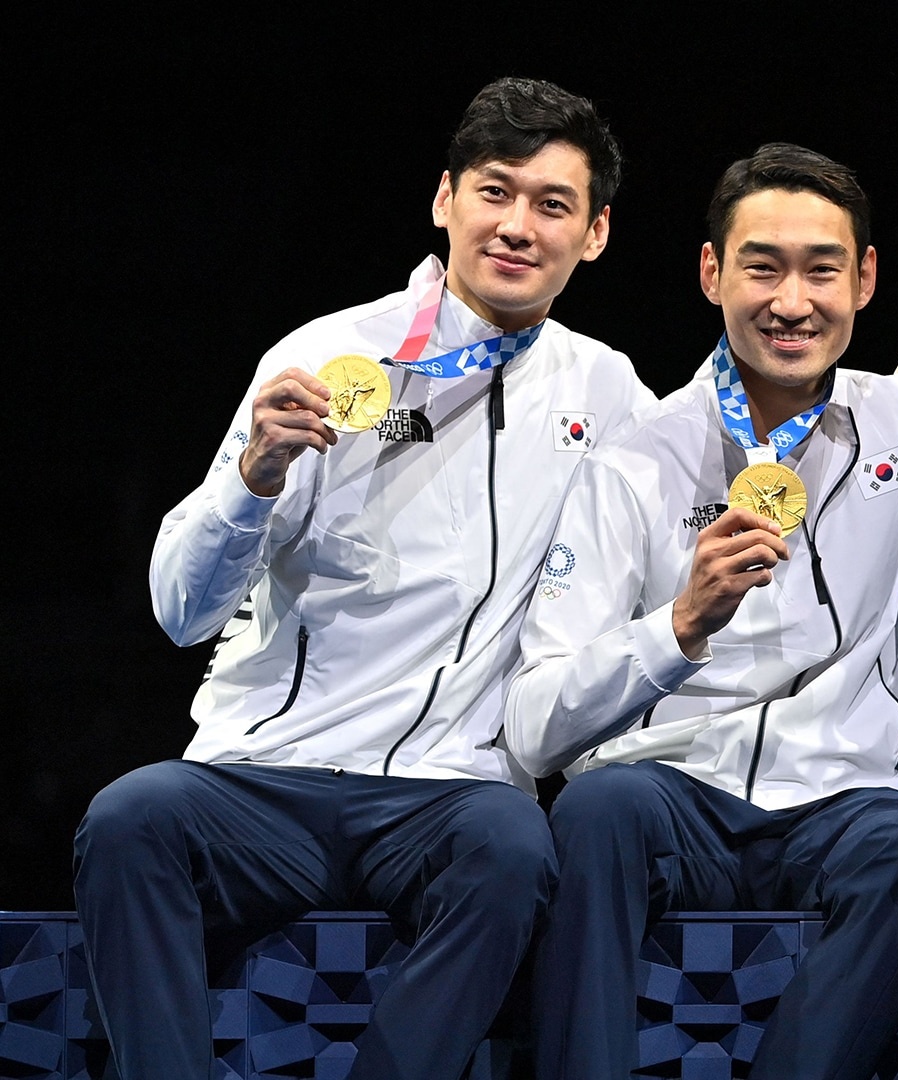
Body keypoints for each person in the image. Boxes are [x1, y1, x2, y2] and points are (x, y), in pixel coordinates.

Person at [71, 77, 651, 1080]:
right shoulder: (325, 354)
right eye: (495, 192)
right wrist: (252, 483)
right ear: (444, 199)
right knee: (130, 820)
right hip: (265, 780)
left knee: (515, 848)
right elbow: (178, 610)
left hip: (447, 794)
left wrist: (894, 402)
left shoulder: (607, 392)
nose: (517, 226)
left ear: (594, 233)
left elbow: (707, 510)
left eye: (552, 205)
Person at [504, 142, 898, 1080]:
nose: (791, 302)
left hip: (846, 799)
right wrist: (680, 624)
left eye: (822, 269)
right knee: (596, 812)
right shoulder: (635, 460)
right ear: (711, 274)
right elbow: (533, 731)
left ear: (863, 280)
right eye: (761, 267)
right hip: (672, 794)